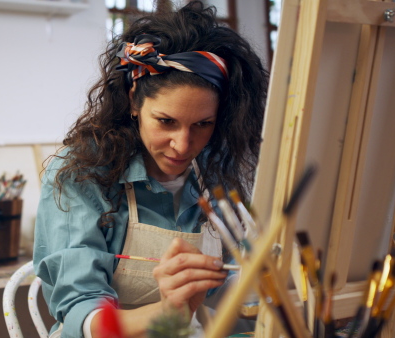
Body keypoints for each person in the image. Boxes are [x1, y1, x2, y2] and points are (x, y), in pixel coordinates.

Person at [33, 1, 268, 337]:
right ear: (133, 100)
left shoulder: (211, 169)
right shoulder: (83, 172)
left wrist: (255, 285)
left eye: (203, 124)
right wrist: (167, 311)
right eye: (166, 121)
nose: (183, 145)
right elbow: (81, 314)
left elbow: (226, 281)